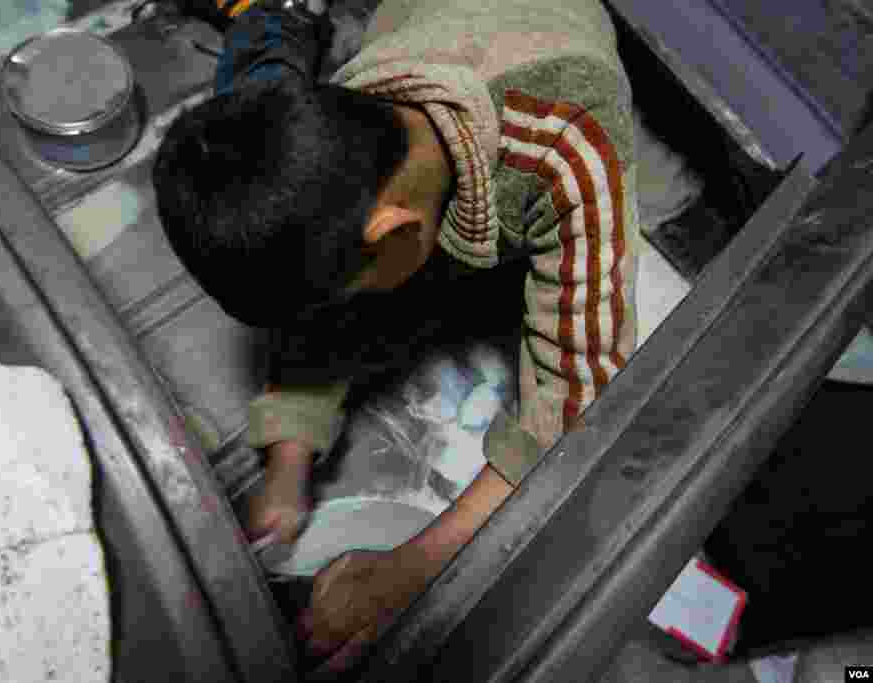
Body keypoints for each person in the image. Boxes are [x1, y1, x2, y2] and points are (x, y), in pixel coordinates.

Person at [153, 0, 640, 675]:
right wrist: (288, 460)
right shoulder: (335, 120)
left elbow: (579, 397)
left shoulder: (570, 145)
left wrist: (414, 567)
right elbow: (313, 310)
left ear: (399, 230)